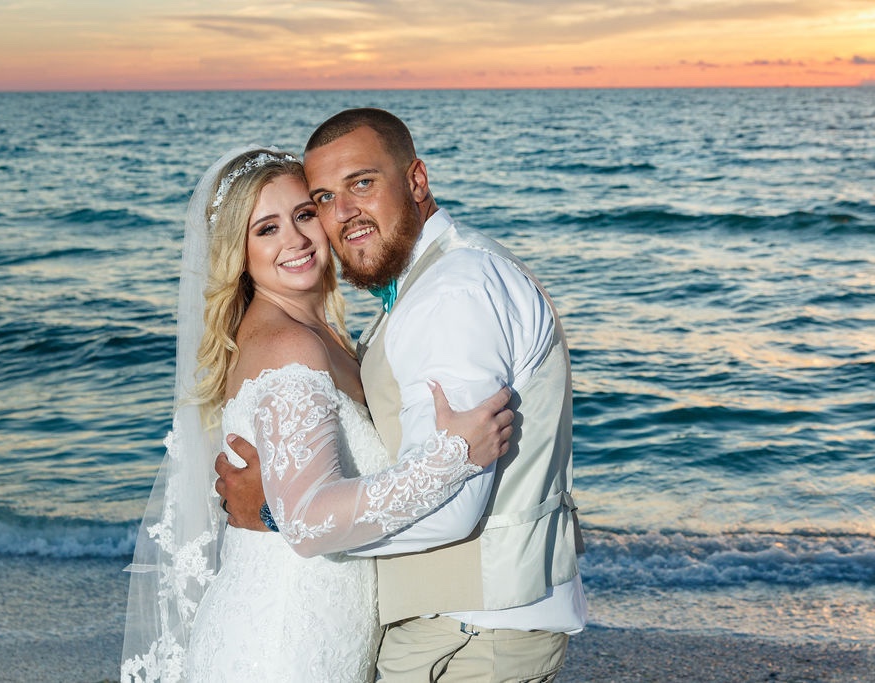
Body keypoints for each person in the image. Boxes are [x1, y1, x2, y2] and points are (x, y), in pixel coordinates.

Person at [217, 109, 588, 682]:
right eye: (324, 197)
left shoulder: (450, 293)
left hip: (470, 629)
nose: (342, 215)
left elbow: (453, 510)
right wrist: (293, 514)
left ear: (416, 181)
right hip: (453, 627)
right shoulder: (419, 291)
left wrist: (277, 516)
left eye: (361, 183)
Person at [120, 146, 515, 683]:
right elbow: (308, 520)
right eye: (266, 229)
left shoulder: (321, 336)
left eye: (305, 214)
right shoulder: (288, 345)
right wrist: (455, 457)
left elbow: (294, 503)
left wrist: (268, 509)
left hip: (320, 630)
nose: (296, 240)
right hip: (283, 644)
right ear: (237, 252)